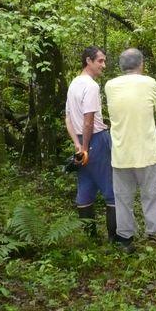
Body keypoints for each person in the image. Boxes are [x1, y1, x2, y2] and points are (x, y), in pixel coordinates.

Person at [105, 48, 156, 251]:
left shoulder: (110, 85)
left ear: (121, 66)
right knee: (151, 195)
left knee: (123, 198)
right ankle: (155, 235)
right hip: (146, 151)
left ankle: (125, 239)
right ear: (141, 64)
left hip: (121, 153)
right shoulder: (149, 82)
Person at [64, 46, 116, 242]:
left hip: (81, 141)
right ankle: (115, 240)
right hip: (96, 140)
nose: (104, 65)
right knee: (111, 190)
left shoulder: (74, 84)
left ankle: (90, 240)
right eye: (100, 61)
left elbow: (68, 118)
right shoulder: (91, 86)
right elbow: (88, 119)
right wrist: (85, 147)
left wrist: (77, 145)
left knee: (85, 188)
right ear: (88, 61)